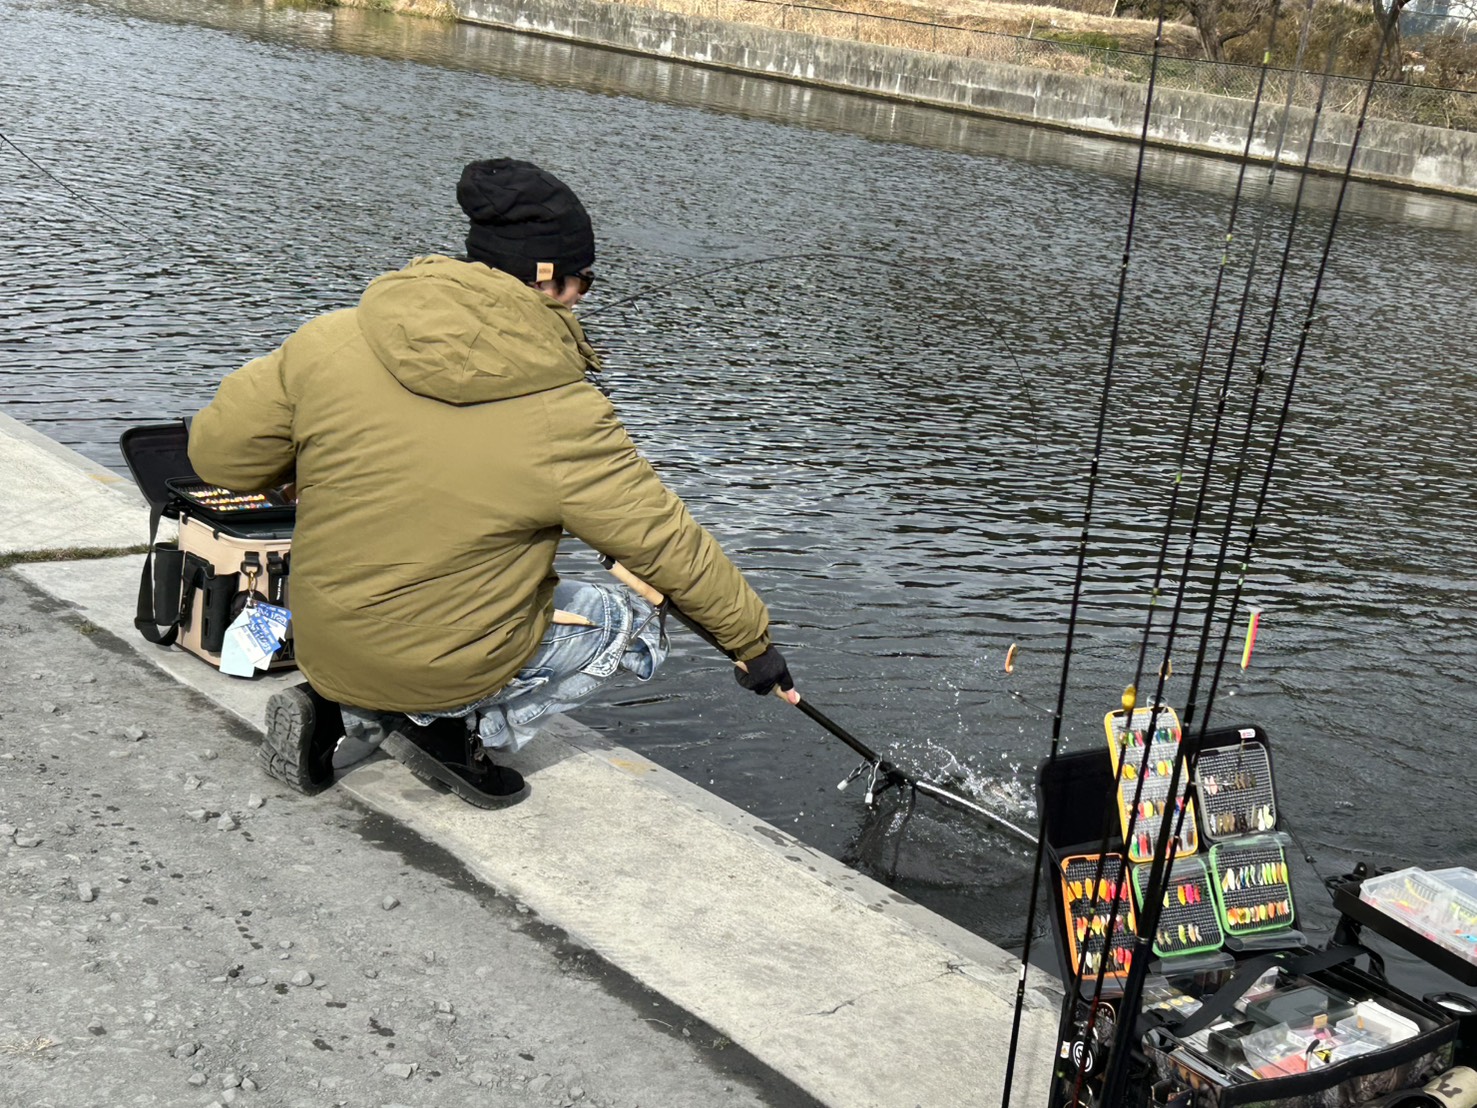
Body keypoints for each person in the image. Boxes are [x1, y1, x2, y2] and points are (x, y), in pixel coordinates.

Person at [188, 158, 795, 808]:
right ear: (548, 280)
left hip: (319, 640)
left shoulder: (331, 339)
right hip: (439, 665)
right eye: (584, 280)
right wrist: (752, 646)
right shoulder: (566, 414)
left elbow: (219, 460)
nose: (583, 296)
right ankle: (455, 732)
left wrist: (308, 462)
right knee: (629, 621)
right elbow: (669, 547)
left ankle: (342, 706)